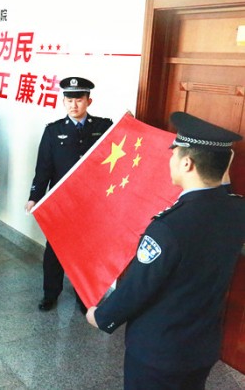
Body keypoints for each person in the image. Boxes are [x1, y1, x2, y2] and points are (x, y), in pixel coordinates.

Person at [86, 112, 245, 390]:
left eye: (174, 154)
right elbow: (222, 196)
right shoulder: (237, 209)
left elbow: (137, 288)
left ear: (187, 163)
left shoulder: (168, 227)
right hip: (202, 346)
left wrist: (101, 317)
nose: (170, 160)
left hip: (159, 352)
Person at [25, 76, 112, 312]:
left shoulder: (103, 127)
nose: (74, 105)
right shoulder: (53, 131)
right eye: (69, 100)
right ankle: (50, 294)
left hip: (92, 204)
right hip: (61, 203)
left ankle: (84, 297)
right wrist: (34, 197)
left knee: (87, 253)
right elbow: (43, 169)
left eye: (79, 100)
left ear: (89, 101)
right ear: (63, 102)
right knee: (55, 250)